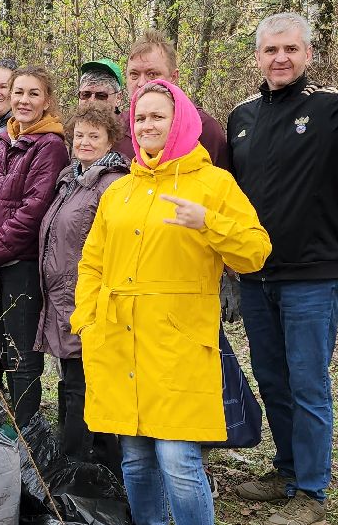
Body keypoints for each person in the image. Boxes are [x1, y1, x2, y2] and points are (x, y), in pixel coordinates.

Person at [75, 79, 270, 525]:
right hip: (121, 343)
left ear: (180, 120)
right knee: (135, 458)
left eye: (158, 117)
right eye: (140, 119)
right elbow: (92, 261)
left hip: (178, 344)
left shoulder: (213, 183)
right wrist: (87, 316)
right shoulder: (120, 190)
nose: (148, 127)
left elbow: (255, 252)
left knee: (179, 461)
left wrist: (208, 223)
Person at [227, 15, 338, 525]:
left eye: (290, 49)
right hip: (255, 276)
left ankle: (310, 492)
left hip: (311, 276)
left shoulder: (328, 108)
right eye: (270, 50)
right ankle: (285, 471)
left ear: (307, 55)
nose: (279, 58)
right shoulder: (242, 117)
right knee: (272, 378)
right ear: (258, 57)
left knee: (308, 383)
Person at [0, 65, 67, 422]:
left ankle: (27, 439)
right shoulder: (4, 139)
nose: (23, 100)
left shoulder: (50, 146)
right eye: (18, 92)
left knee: (21, 357)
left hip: (18, 265)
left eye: (33, 94)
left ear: (47, 101)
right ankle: (0, 425)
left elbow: (33, 211)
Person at [36, 103, 128, 460]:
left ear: (110, 142)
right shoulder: (70, 179)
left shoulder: (113, 185)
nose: (85, 142)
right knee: (75, 383)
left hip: (88, 299)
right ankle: (99, 464)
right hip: (61, 298)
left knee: (81, 386)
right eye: (79, 135)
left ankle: (75, 468)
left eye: (94, 136)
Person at [125, 30, 229, 168]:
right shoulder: (116, 128)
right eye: (134, 74)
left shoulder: (204, 129)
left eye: (152, 74)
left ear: (173, 77)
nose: (142, 83)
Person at [78, 58, 133, 159]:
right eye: (86, 94)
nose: (92, 101)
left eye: (101, 96)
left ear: (118, 98)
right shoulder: (71, 133)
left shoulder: (132, 134)